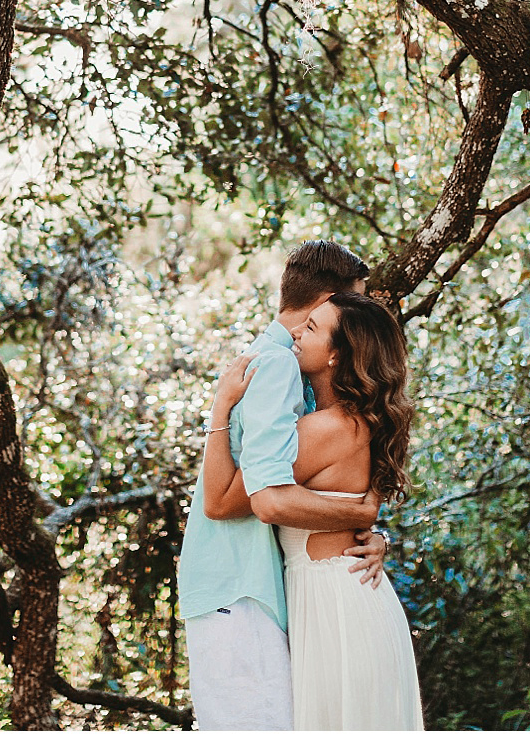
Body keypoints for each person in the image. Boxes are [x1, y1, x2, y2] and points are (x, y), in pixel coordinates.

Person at [176, 241, 390, 731]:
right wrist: (359, 515)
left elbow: (312, 475)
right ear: (324, 305)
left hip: (245, 583)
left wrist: (372, 533)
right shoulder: (277, 366)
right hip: (240, 585)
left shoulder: (278, 362)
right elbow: (233, 500)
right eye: (349, 304)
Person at [204, 292, 423, 730]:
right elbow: (357, 507)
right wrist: (366, 521)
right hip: (345, 597)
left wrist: (220, 407)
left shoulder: (323, 428)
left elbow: (221, 502)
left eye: (313, 328)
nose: (297, 332)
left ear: (336, 355)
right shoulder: (356, 421)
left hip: (335, 609)